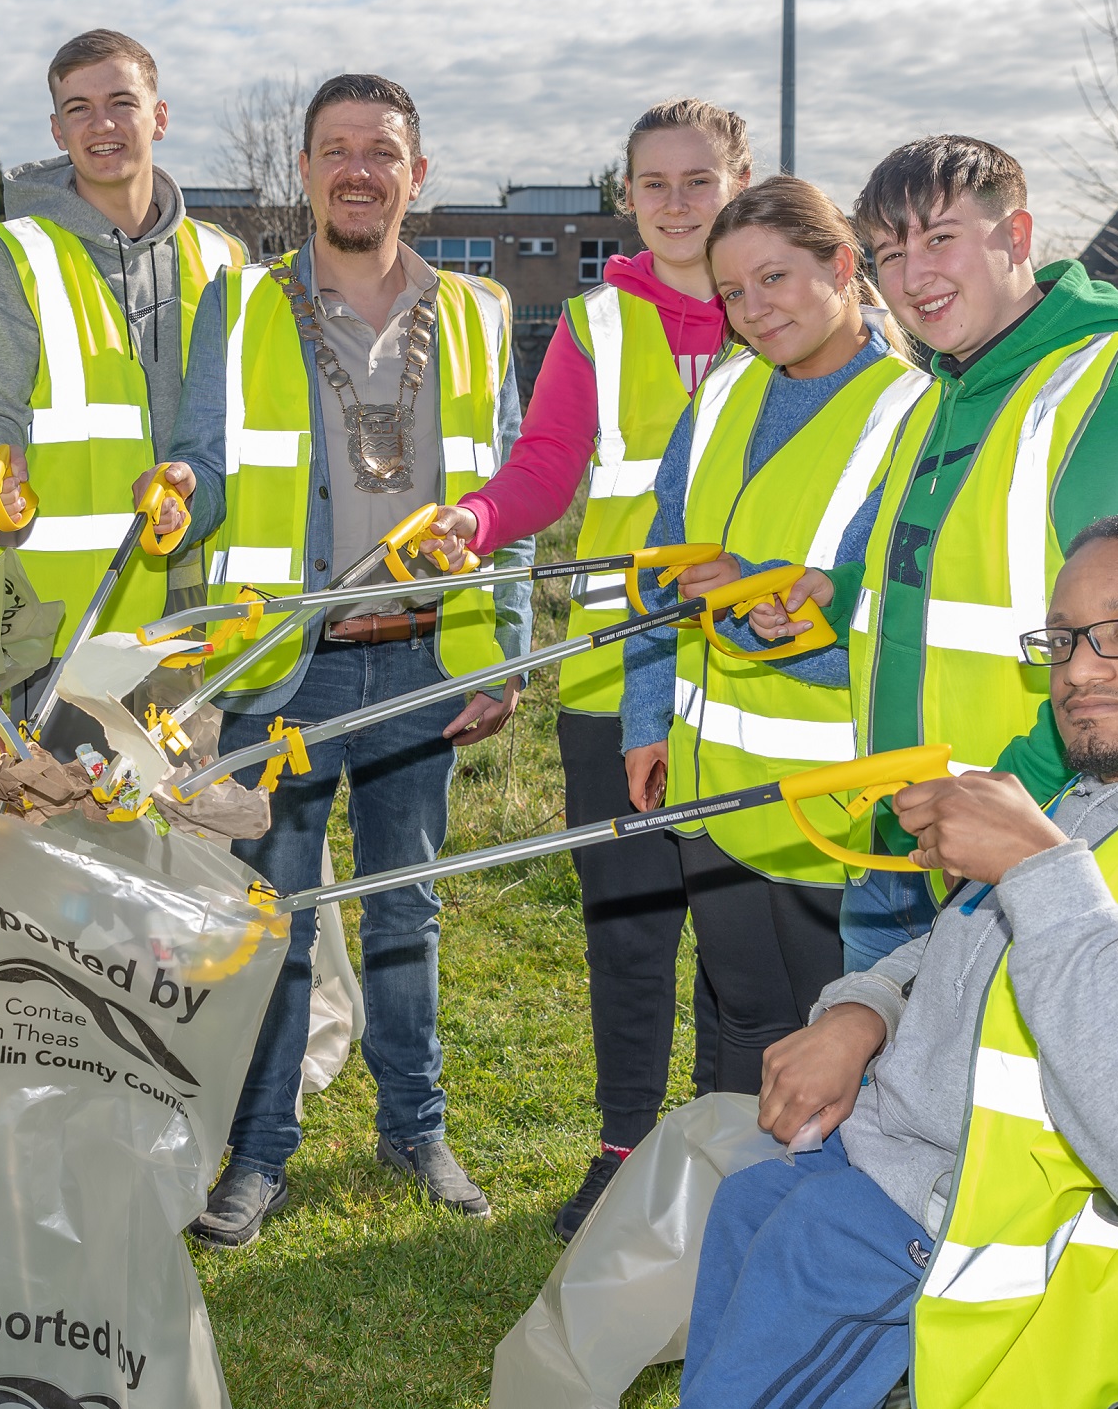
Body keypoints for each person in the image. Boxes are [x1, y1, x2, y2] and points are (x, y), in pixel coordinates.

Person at [678, 512, 1118, 1408]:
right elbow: (957, 954)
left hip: (955, 1259)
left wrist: (1039, 869)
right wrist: (862, 1013)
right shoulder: (1102, 802)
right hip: (851, 1180)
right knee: (747, 1214)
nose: (1080, 670)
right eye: (1062, 641)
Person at [168, 73, 532, 1247]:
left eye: (383, 149)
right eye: (336, 149)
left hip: (428, 661)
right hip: (288, 662)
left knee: (405, 911)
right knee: (270, 913)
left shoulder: (477, 311)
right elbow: (202, 461)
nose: (359, 168)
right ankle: (257, 1150)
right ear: (307, 174)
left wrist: (504, 652)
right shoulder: (240, 308)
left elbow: (509, 496)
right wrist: (177, 490)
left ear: (416, 176)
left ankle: (413, 1126)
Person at [746, 136, 1118, 969]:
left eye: (941, 238)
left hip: (1038, 856)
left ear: (1017, 236)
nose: (913, 275)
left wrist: (1004, 813)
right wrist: (836, 594)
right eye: (890, 254)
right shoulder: (936, 397)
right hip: (898, 838)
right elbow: (933, 582)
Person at [413, 99, 754, 1241]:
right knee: (631, 926)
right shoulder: (598, 324)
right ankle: (620, 1150)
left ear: (738, 182)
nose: (675, 203)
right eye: (653, 183)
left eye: (697, 181)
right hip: (618, 678)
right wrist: (478, 515)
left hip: (762, 684)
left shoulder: (785, 307)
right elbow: (547, 467)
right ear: (626, 194)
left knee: (742, 932)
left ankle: (723, 1148)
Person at [607, 177, 924, 1226]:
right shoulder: (725, 394)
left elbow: (883, 628)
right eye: (735, 293)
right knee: (742, 1017)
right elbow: (658, 566)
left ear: (842, 266)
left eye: (777, 278)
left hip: (836, 807)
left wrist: (756, 604)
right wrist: (647, 715)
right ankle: (727, 1228)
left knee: (837, 1041)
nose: (757, 310)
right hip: (716, 787)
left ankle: (824, 1236)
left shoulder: (911, 414)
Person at [0, 29, 243, 745]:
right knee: (61, 836)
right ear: (57, 128)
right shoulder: (18, 256)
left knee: (185, 833)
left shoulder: (224, 258)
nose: (101, 124)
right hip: (64, 614)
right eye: (78, 108)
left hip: (202, 602)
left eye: (121, 103)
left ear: (159, 117)